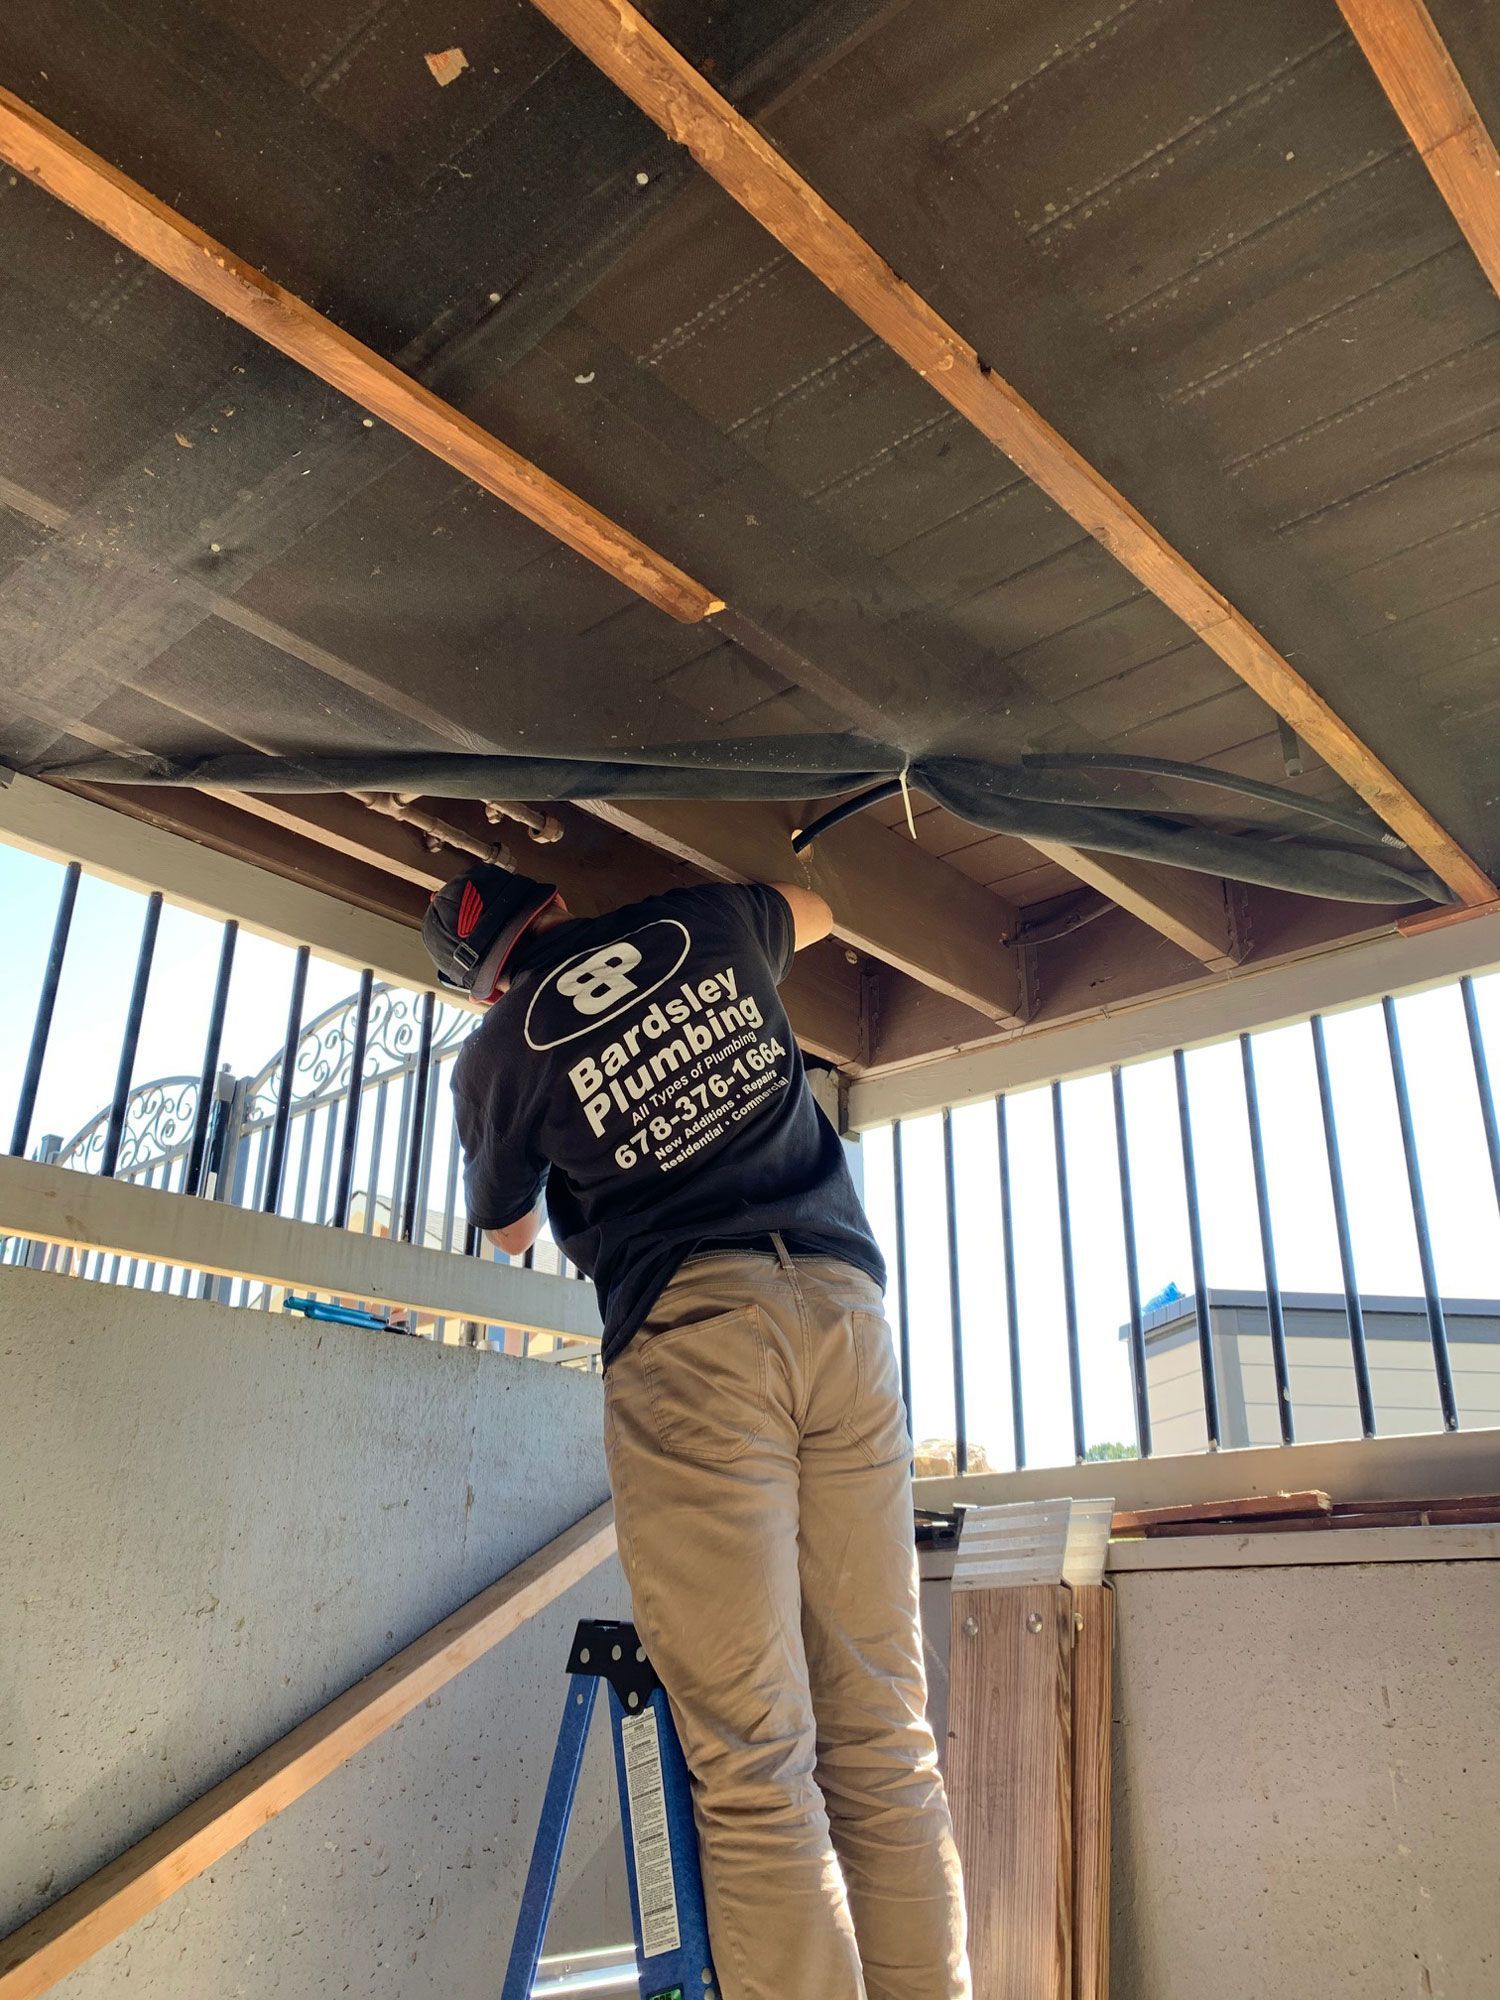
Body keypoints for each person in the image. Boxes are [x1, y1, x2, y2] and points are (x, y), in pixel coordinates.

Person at [425, 861, 970, 2000]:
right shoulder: (704, 916)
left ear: (479, 986)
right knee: (883, 1732)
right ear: (559, 903)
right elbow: (820, 905)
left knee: (758, 1762)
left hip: (699, 1340)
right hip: (844, 1315)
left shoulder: (498, 1050)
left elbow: (513, 1229)